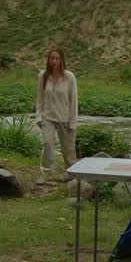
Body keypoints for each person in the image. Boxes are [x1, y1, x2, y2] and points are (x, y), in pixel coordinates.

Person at [36, 47, 78, 182]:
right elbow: (40, 98)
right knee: (47, 143)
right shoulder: (43, 76)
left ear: (62, 60)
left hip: (65, 118)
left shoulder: (69, 77)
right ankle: (45, 174)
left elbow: (74, 100)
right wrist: (39, 117)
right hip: (48, 117)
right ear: (48, 60)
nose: (54, 61)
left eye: (57, 58)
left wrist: (73, 121)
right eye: (52, 58)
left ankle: (70, 173)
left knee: (68, 149)